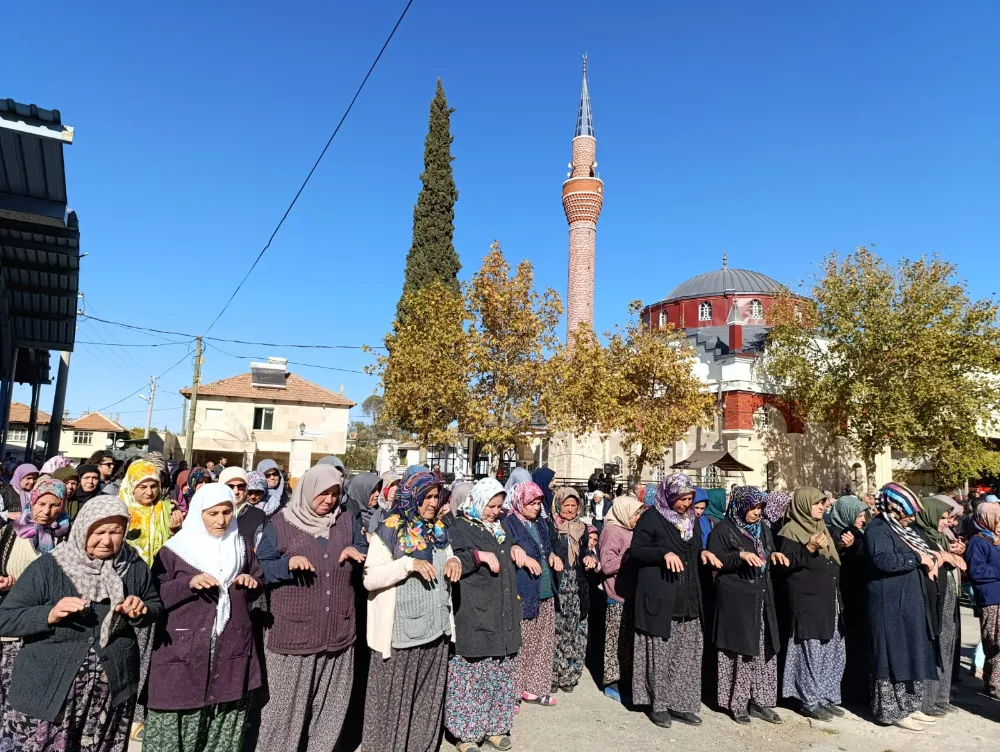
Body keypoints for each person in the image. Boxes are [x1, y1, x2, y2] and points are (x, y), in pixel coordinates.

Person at [0, 496, 162, 752]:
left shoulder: (133, 566)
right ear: (83, 528)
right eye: (99, 532)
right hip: (48, 693)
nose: (107, 540)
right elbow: (5, 618)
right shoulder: (50, 567)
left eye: (116, 531)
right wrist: (49, 614)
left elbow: (154, 605)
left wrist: (140, 610)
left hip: (109, 694)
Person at [253, 464, 365, 751]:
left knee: (330, 710)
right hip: (293, 636)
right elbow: (261, 568)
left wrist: (358, 552)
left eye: (334, 494)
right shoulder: (280, 524)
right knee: (283, 715)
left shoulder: (346, 520)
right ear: (307, 491)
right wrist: (286, 565)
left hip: (338, 633)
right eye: (323, 493)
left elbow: (365, 548)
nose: (329, 500)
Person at [144, 484, 261, 752]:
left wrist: (250, 581)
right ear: (199, 513)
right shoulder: (175, 550)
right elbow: (155, 595)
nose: (221, 520)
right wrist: (188, 584)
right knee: (173, 728)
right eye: (213, 513)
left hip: (230, 650)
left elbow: (258, 580)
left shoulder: (241, 546)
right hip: (183, 652)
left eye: (227, 512)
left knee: (222, 728)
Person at [360, 470, 461, 752]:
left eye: (436, 497)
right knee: (392, 707)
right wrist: (408, 565)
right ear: (411, 497)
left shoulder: (438, 530)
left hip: (436, 631)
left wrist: (454, 561)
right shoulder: (389, 530)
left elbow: (447, 554)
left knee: (426, 706)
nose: (432, 503)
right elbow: (370, 579)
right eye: (426, 497)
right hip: (400, 637)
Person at [631, 474, 718, 728]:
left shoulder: (692, 520)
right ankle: (658, 705)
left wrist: (704, 553)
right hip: (661, 598)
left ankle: (681, 705)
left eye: (690, 498)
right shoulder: (652, 517)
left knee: (686, 655)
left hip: (688, 599)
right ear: (669, 496)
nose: (686, 504)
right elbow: (637, 550)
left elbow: (693, 549)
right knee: (661, 654)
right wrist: (663, 553)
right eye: (681, 499)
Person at [445, 478, 521, 752]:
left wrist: (514, 548)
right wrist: (477, 556)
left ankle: (495, 727)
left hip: (502, 610)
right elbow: (453, 560)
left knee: (499, 674)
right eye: (491, 505)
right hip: (475, 610)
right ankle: (466, 734)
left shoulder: (500, 528)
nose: (495, 511)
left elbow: (508, 548)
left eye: (499, 506)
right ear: (478, 501)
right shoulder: (459, 526)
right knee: (472, 675)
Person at [865, 483, 940, 731]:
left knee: (910, 650)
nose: (911, 518)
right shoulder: (878, 529)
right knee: (892, 654)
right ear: (894, 508)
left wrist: (932, 558)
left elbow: (925, 550)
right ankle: (891, 710)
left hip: (907, 601)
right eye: (907, 512)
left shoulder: (901, 530)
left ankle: (910, 705)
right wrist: (917, 558)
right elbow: (883, 561)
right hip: (889, 604)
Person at [708, 486, 783, 725]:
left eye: (760, 507)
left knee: (764, 649)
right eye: (752, 507)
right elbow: (715, 559)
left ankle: (760, 701)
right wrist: (739, 557)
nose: (756, 512)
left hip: (761, 597)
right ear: (740, 506)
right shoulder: (723, 529)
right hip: (736, 599)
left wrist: (772, 557)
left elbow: (766, 551)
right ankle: (737, 703)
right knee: (739, 652)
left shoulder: (763, 529)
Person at [775, 487, 846, 721]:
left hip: (828, 599)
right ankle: (809, 699)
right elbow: (785, 565)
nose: (821, 507)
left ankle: (825, 695)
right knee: (810, 651)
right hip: (807, 600)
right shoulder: (791, 531)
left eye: (823, 503)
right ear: (804, 504)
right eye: (817, 503)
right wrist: (809, 548)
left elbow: (831, 560)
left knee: (830, 648)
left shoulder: (821, 527)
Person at [0, 479, 70, 711]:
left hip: (46, 628)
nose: (46, 512)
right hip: (9, 629)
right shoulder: (8, 535)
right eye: (41, 504)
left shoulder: (67, 539)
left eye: (54, 505)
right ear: (32, 501)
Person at [504, 481, 558, 707]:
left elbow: (546, 548)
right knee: (522, 643)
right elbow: (506, 547)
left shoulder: (542, 524)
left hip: (545, 590)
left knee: (542, 642)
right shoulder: (509, 523)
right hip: (524, 590)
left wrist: (553, 556)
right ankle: (514, 691)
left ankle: (533, 688)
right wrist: (519, 553)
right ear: (520, 501)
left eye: (538, 503)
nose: (536, 507)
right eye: (531, 503)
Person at [913, 496, 966, 714]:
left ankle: (941, 696)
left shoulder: (938, 536)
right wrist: (943, 556)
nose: (946, 522)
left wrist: (953, 553)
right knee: (935, 644)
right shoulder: (920, 535)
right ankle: (929, 699)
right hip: (934, 597)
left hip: (947, 595)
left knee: (947, 644)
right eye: (943, 518)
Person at [548, 487, 596, 694]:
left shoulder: (583, 529)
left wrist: (589, 557)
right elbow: (546, 551)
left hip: (578, 586)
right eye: (566, 505)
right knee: (556, 632)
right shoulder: (550, 527)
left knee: (576, 632)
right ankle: (551, 675)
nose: (569, 509)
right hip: (559, 585)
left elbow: (587, 551)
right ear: (558, 505)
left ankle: (569, 675)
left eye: (573, 505)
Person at [598, 495, 643, 702]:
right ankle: (612, 682)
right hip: (616, 594)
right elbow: (607, 565)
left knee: (627, 642)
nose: (637, 517)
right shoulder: (612, 531)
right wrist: (629, 557)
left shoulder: (629, 530)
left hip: (630, 593)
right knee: (614, 642)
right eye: (635, 513)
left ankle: (625, 680)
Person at [827, 494, 869, 704]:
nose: (863, 518)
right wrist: (843, 548)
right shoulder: (838, 533)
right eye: (859, 514)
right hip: (847, 594)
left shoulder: (858, 533)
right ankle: (850, 691)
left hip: (860, 593)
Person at [964, 501, 1000, 699]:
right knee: (996, 643)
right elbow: (976, 571)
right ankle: (996, 684)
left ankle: (990, 681)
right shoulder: (978, 542)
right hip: (991, 599)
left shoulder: (994, 540)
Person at [344, 472, 384, 536]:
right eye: (373, 491)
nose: (377, 494)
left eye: (378, 489)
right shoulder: (348, 519)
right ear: (360, 492)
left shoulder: (381, 513)